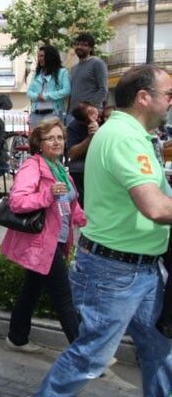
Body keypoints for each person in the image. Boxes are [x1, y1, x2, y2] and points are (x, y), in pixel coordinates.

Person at [34, 65, 172, 396]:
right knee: (90, 357)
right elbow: (154, 207)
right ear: (143, 97)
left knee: (160, 349)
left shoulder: (127, 134)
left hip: (138, 267)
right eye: (168, 94)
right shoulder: (125, 138)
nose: (171, 101)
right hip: (116, 272)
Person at [1, 117, 85, 355]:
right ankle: (85, 355)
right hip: (41, 243)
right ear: (39, 143)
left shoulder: (60, 169)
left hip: (57, 239)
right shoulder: (33, 166)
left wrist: (88, 222)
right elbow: (17, 202)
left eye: (60, 137)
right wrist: (47, 195)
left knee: (32, 290)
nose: (57, 142)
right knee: (64, 296)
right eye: (50, 138)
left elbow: (70, 205)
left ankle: (17, 337)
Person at [26, 45, 71, 128]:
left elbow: (66, 90)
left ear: (51, 56)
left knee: (51, 135)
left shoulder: (62, 72)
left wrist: (46, 96)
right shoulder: (36, 74)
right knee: (35, 136)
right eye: (38, 56)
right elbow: (29, 92)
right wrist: (37, 96)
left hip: (53, 114)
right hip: (36, 114)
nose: (39, 59)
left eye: (42, 56)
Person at [66, 101, 100, 206]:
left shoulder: (106, 116)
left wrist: (100, 132)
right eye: (87, 116)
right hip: (84, 161)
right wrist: (90, 138)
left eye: (92, 111)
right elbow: (72, 154)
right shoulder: (73, 126)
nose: (93, 116)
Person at [69, 32, 108, 113]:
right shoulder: (74, 68)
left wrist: (89, 108)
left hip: (89, 114)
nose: (79, 47)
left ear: (91, 48)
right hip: (73, 114)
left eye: (84, 45)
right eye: (77, 44)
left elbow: (103, 90)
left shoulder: (97, 63)